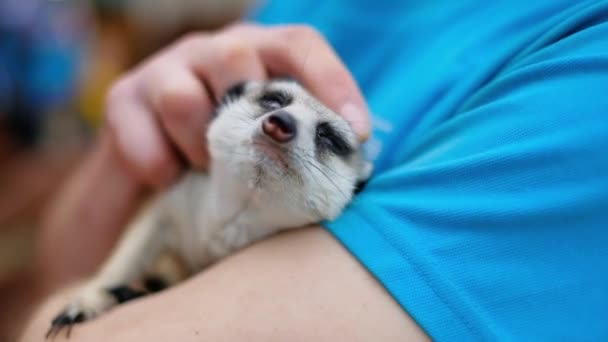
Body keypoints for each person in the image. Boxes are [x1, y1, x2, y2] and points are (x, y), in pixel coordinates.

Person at [20, 1, 608, 340]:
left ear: (354, 188)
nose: (282, 127)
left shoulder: (588, 80)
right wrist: (121, 160)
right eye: (272, 108)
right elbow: (47, 287)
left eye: (325, 138)